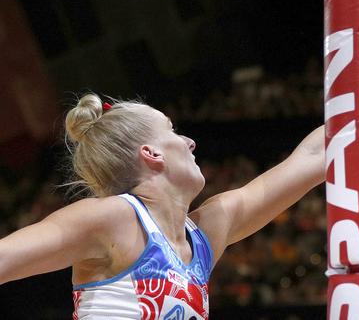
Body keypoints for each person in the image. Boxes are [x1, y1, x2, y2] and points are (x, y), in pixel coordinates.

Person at [0, 94, 327, 318]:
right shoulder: (113, 217)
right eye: (172, 130)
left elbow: (312, 158)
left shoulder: (203, 235)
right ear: (151, 153)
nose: (190, 141)